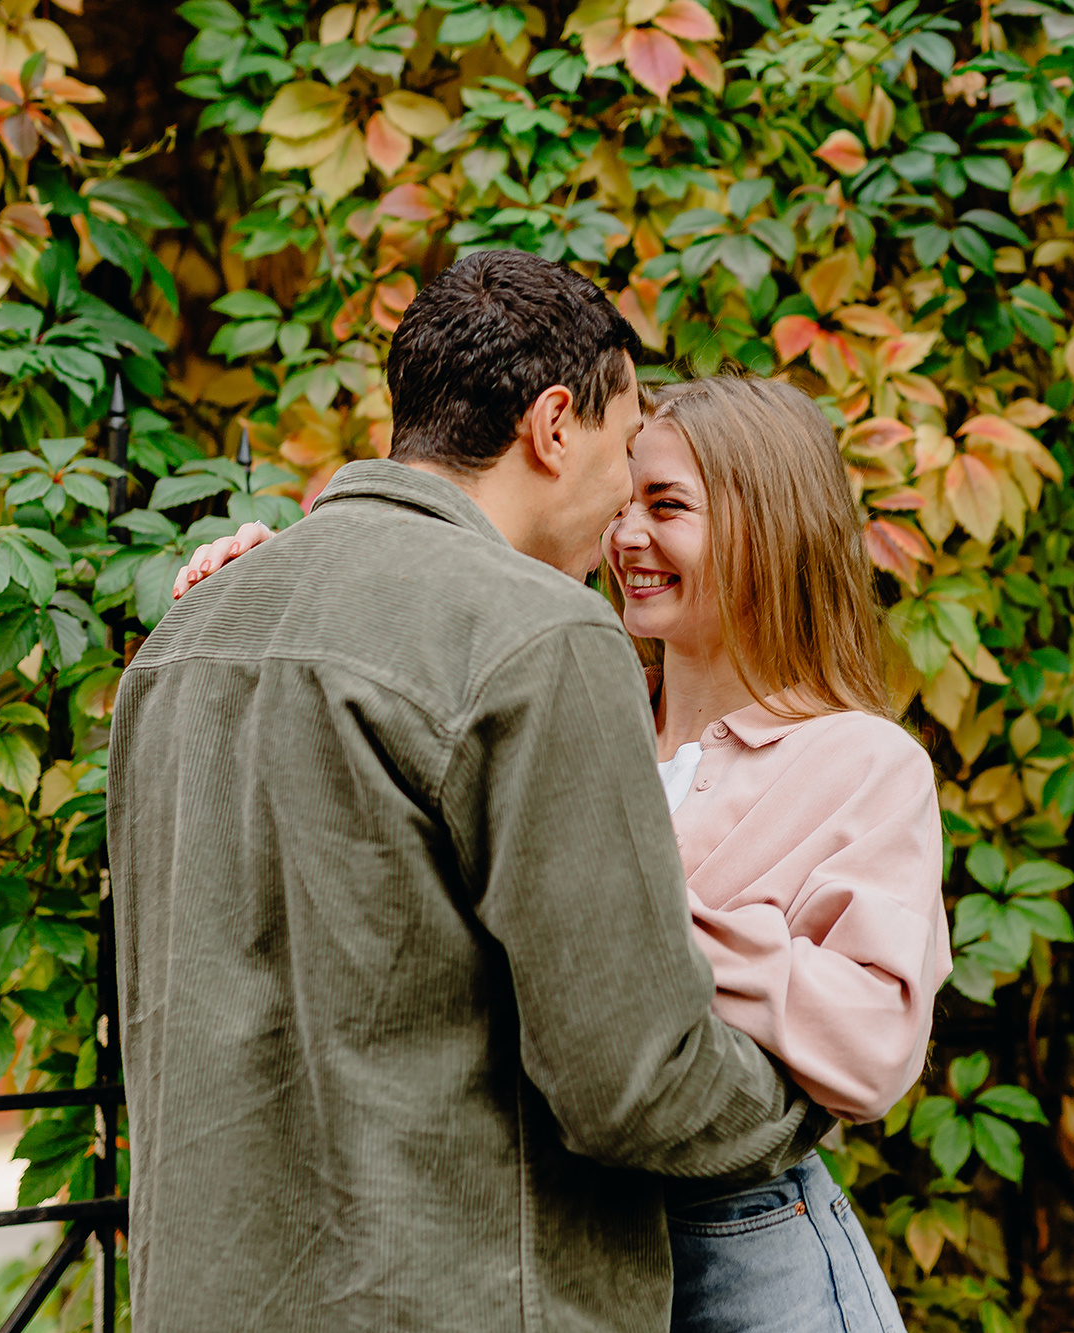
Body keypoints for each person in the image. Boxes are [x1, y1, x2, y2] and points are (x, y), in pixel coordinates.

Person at [109, 249, 828, 1333]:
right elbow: (633, 1080)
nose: (627, 510)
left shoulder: (183, 635)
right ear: (551, 426)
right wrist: (803, 1088)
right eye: (626, 452)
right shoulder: (537, 631)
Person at [175, 375, 952, 1333]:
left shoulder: (864, 762)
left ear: (772, 523)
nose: (627, 539)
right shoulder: (569, 690)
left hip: (748, 1248)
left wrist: (639, 926)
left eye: (668, 507)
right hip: (559, 1239)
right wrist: (274, 591)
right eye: (624, 506)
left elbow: (874, 1045)